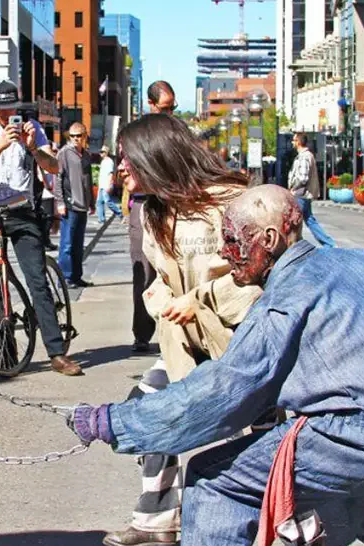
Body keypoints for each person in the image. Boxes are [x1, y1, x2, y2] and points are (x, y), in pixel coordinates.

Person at [70, 184, 364, 546]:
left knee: (213, 479)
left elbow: (225, 394)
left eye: (234, 240)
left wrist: (114, 422)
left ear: (269, 240)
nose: (223, 252)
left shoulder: (281, 300)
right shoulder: (356, 261)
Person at [103, 114, 263, 546]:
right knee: (151, 410)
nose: (120, 168)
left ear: (155, 158)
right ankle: (156, 522)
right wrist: (157, 296)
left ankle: (291, 521)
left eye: (127, 159)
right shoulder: (154, 212)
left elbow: (255, 276)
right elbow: (164, 278)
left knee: (266, 435)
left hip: (246, 346)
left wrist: (195, 302)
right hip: (186, 346)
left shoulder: (231, 201)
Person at [0, 80, 80, 376]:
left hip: (22, 213)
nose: (8, 116)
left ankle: (56, 352)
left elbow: (54, 167)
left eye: (12, 109)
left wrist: (32, 149)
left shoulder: (32, 128)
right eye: (2, 111)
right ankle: (8, 352)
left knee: (36, 279)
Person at [127, 81, 180, 355]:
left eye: (173, 107)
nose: (170, 112)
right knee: (144, 272)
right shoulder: (136, 135)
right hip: (144, 204)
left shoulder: (177, 132)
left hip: (172, 203)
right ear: (151, 105)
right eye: (165, 107)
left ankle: (178, 332)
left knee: (177, 269)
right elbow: (127, 177)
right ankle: (143, 334)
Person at [57, 122, 93, 288]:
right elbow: (58, 178)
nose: (76, 139)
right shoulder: (64, 153)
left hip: (82, 206)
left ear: (84, 136)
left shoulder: (85, 155)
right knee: (67, 244)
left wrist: (91, 202)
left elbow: (88, 179)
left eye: (79, 135)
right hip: (70, 205)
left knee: (78, 244)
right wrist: (60, 202)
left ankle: (76, 276)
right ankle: (65, 278)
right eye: (72, 136)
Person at [287, 132, 335, 247]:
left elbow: (303, 178)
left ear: (298, 142)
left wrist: (293, 187)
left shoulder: (304, 157)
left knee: (292, 221)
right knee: (309, 220)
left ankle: (293, 246)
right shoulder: (306, 155)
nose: (292, 143)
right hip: (304, 194)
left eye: (294, 140)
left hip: (300, 194)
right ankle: (328, 244)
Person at [96, 145, 123, 224]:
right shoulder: (103, 161)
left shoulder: (109, 161)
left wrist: (109, 185)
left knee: (107, 201)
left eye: (102, 152)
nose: (101, 153)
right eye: (100, 152)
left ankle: (119, 213)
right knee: (99, 202)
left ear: (106, 153)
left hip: (106, 185)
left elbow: (111, 174)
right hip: (101, 185)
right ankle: (101, 219)